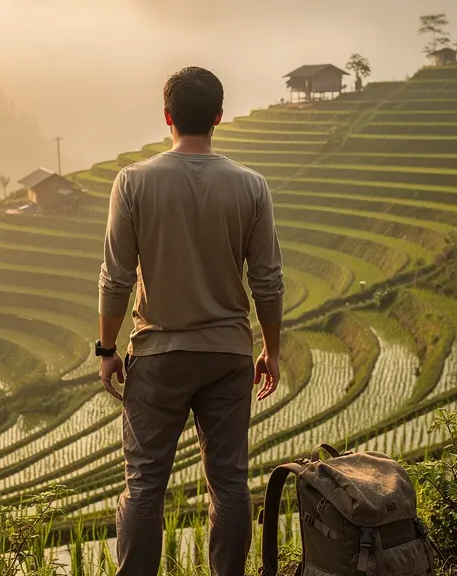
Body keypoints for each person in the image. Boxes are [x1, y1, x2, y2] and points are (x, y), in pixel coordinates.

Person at [96, 65, 284, 576]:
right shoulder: (251, 186)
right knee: (229, 481)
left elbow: (115, 278)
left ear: (167, 116)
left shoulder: (133, 183)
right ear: (219, 117)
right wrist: (271, 350)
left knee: (144, 484)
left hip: (158, 354)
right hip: (227, 354)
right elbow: (267, 280)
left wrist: (107, 349)